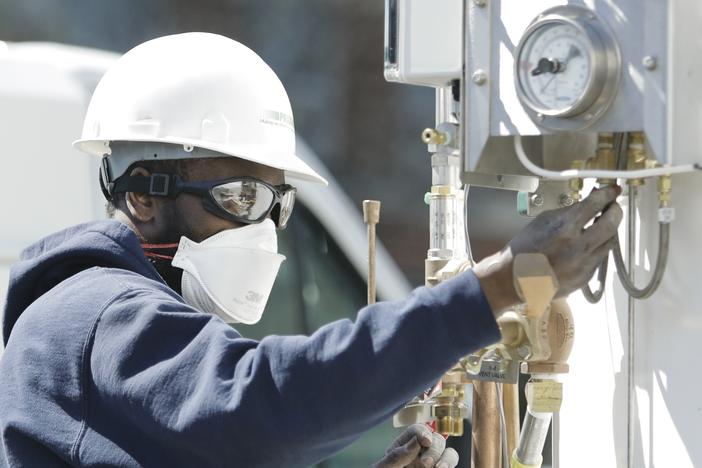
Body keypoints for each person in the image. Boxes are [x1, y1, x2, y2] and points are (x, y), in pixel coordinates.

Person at [0, 33, 622, 468]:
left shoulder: (132, 332)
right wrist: (505, 284)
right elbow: (265, 405)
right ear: (143, 197)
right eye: (241, 197)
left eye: (277, 204)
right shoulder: (92, 317)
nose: (264, 229)